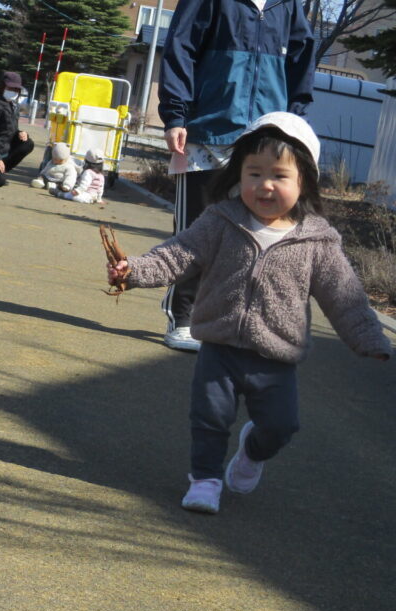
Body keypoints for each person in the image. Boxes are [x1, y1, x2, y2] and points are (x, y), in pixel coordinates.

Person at [105, 113, 391, 514]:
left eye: (279, 175)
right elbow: (177, 254)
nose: (264, 185)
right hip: (220, 346)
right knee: (210, 418)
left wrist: (370, 338)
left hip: (275, 357)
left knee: (280, 426)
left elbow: (345, 297)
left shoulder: (318, 240)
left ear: (304, 180)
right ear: (239, 174)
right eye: (253, 173)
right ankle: (204, 480)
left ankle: (252, 453)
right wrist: (134, 270)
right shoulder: (221, 221)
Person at [157, 0, 315, 352]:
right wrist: (175, 115)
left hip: (264, 136)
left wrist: (294, 120)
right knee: (194, 230)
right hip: (206, 129)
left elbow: (301, 59)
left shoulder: (287, 5)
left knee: (252, 234)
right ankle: (183, 316)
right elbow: (180, 47)